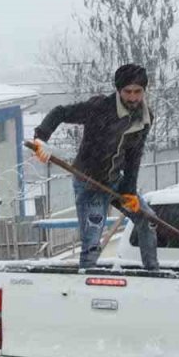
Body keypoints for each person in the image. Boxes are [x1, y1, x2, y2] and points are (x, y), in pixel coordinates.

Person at [31, 64, 159, 270]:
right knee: (92, 239)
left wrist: (130, 191)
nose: (133, 97)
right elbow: (59, 113)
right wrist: (41, 139)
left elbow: (134, 156)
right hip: (89, 181)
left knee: (148, 220)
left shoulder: (145, 118)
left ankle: (153, 272)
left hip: (115, 181)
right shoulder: (99, 108)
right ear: (118, 90)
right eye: (128, 92)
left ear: (144, 91)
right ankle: (87, 278)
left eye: (138, 92)